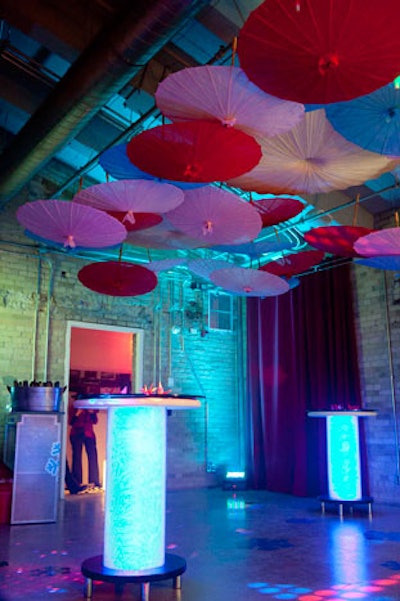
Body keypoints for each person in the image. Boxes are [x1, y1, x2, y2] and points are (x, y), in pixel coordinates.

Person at [68, 392, 101, 490]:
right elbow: (71, 422)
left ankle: (94, 481)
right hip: (76, 433)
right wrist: (77, 414)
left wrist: (91, 413)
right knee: (77, 457)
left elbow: (95, 421)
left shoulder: (89, 409)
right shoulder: (73, 408)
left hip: (88, 433)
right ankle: (77, 481)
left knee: (92, 456)